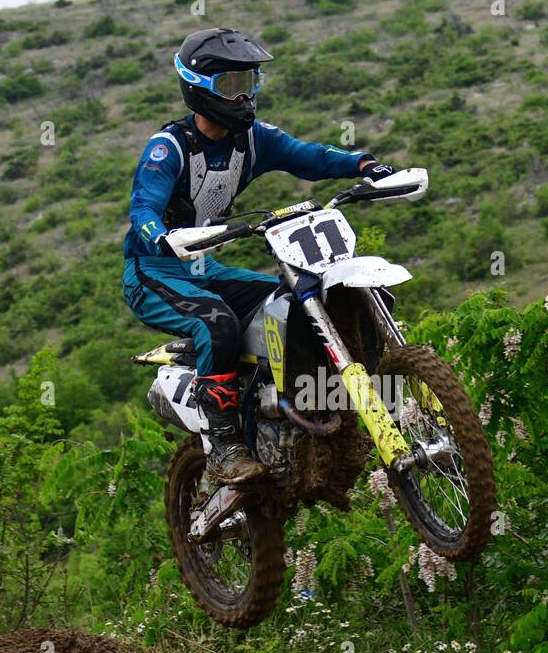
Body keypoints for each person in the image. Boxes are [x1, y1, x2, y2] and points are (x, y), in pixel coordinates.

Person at [122, 27, 396, 484]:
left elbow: (310, 157)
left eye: (250, 83)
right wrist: (160, 235)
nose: (245, 96)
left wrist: (363, 164)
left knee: (289, 307)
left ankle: (283, 409)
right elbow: (143, 207)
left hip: (204, 266)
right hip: (152, 271)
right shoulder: (168, 148)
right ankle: (225, 445)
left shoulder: (253, 140)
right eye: (232, 86)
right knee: (216, 322)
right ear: (198, 87)